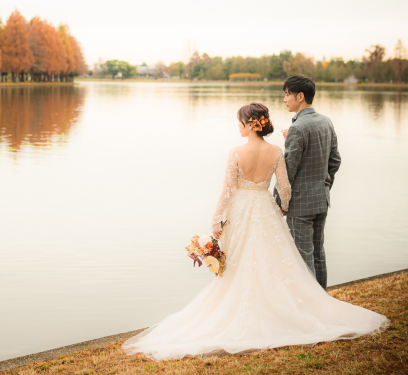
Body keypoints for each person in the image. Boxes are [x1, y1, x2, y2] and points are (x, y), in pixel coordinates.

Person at [123, 102, 387, 360]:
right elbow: (285, 188)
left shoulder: (236, 153)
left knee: (239, 265)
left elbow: (226, 191)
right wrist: (282, 209)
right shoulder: (276, 152)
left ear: (250, 125)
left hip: (240, 213)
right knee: (273, 264)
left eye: (240, 122)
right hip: (265, 209)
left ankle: (245, 315)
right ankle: (279, 311)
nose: (237, 126)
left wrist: (216, 221)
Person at [275, 75, 338, 290]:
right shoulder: (326, 121)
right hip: (322, 199)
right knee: (318, 252)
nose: (284, 99)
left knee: (303, 256)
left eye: (287, 94)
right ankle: (323, 300)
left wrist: (279, 201)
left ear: (300, 96)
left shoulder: (297, 128)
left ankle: (312, 307)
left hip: (301, 204)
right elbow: (335, 160)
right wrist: (324, 184)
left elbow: (288, 171)